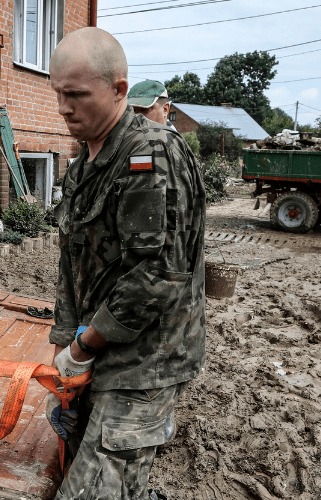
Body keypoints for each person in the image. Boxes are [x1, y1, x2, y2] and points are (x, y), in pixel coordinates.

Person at [44, 27, 206, 500]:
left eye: (76, 95)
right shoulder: (84, 163)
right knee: (82, 460)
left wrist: (83, 346)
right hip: (98, 349)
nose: (63, 108)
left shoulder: (150, 155)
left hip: (144, 361)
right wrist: (63, 356)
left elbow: (158, 277)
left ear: (119, 90)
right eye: (58, 94)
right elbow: (71, 264)